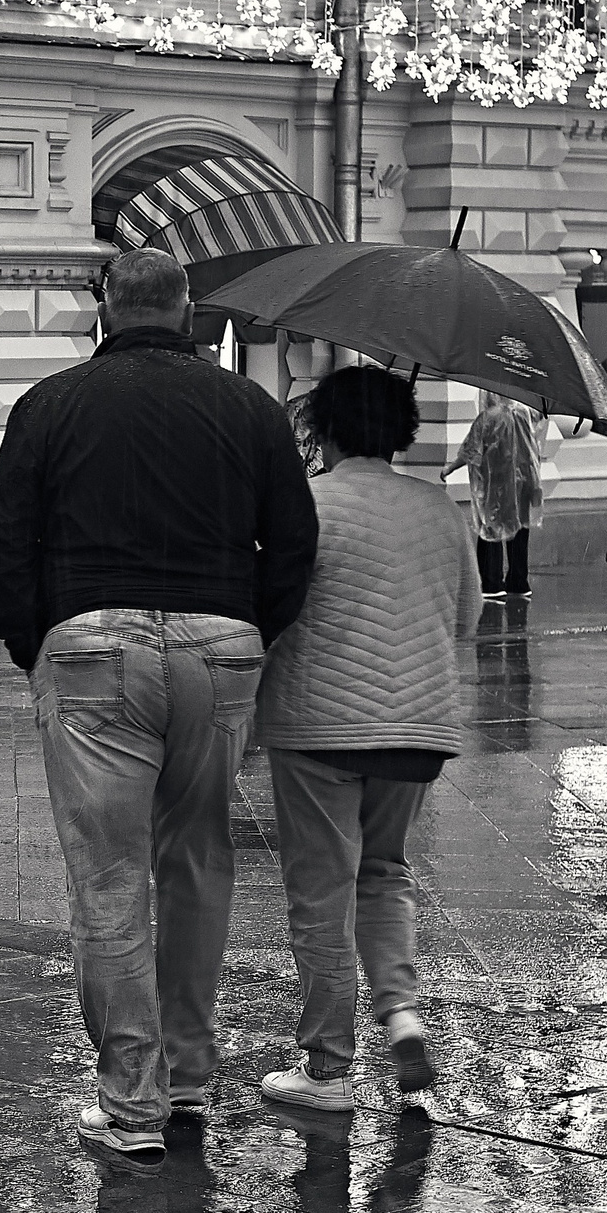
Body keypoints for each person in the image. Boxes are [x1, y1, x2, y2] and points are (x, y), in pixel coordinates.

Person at [0, 247, 319, 1165]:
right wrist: (252, 626)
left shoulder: (48, 405)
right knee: (199, 857)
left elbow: (6, 538)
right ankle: (193, 1079)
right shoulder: (248, 406)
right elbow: (294, 539)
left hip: (89, 643)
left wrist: (33, 640)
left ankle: (134, 1104)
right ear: (188, 311)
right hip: (223, 645)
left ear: (105, 307)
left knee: (109, 877)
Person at [253, 366, 480, 1113]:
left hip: (318, 726)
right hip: (418, 728)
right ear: (402, 429)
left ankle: (326, 1067)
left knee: (322, 890)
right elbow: (468, 616)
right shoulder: (439, 508)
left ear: (325, 428)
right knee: (384, 871)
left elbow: (274, 607)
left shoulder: (308, 504)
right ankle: (402, 1011)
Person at [444, 391, 545, 599]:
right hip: (524, 483)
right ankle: (519, 581)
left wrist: (449, 469)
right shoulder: (525, 414)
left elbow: (471, 451)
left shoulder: (488, 418)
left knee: (492, 527)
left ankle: (492, 582)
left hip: (496, 483)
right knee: (519, 528)